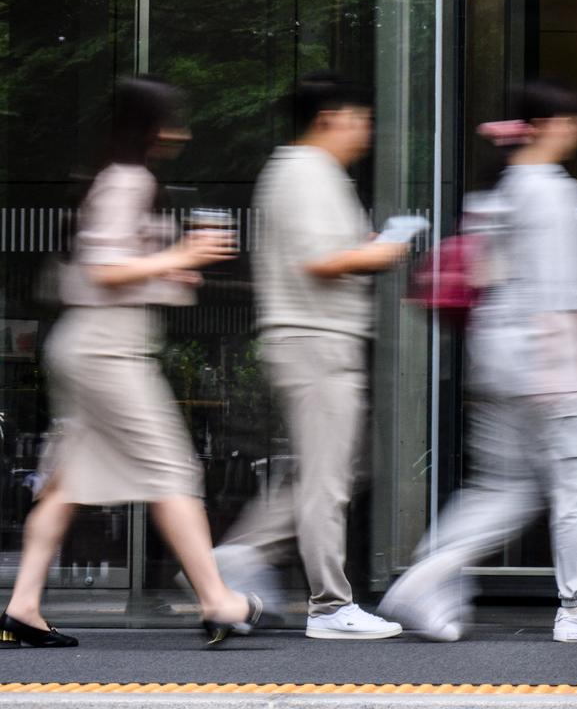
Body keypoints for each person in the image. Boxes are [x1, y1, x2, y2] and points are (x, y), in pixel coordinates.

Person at [0, 77, 259, 648]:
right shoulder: (128, 180)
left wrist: (173, 270)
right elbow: (105, 270)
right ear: (150, 126)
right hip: (107, 351)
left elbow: (113, 270)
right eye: (173, 120)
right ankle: (218, 599)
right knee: (172, 470)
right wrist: (182, 253)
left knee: (64, 482)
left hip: (89, 344)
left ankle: (22, 607)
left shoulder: (112, 179)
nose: (181, 132)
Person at [380, 79, 577, 642]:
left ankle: (429, 574)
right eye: (573, 122)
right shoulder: (559, 194)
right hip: (555, 370)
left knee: (502, 488)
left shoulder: (491, 196)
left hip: (497, 366)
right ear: (548, 127)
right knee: (572, 490)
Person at [215, 73, 408, 640]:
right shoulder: (304, 173)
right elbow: (320, 261)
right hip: (315, 339)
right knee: (329, 480)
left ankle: (238, 556)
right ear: (330, 117)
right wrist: (379, 253)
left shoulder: (309, 173)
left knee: (343, 467)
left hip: (317, 338)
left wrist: (364, 249)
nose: (366, 132)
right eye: (360, 119)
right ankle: (329, 604)